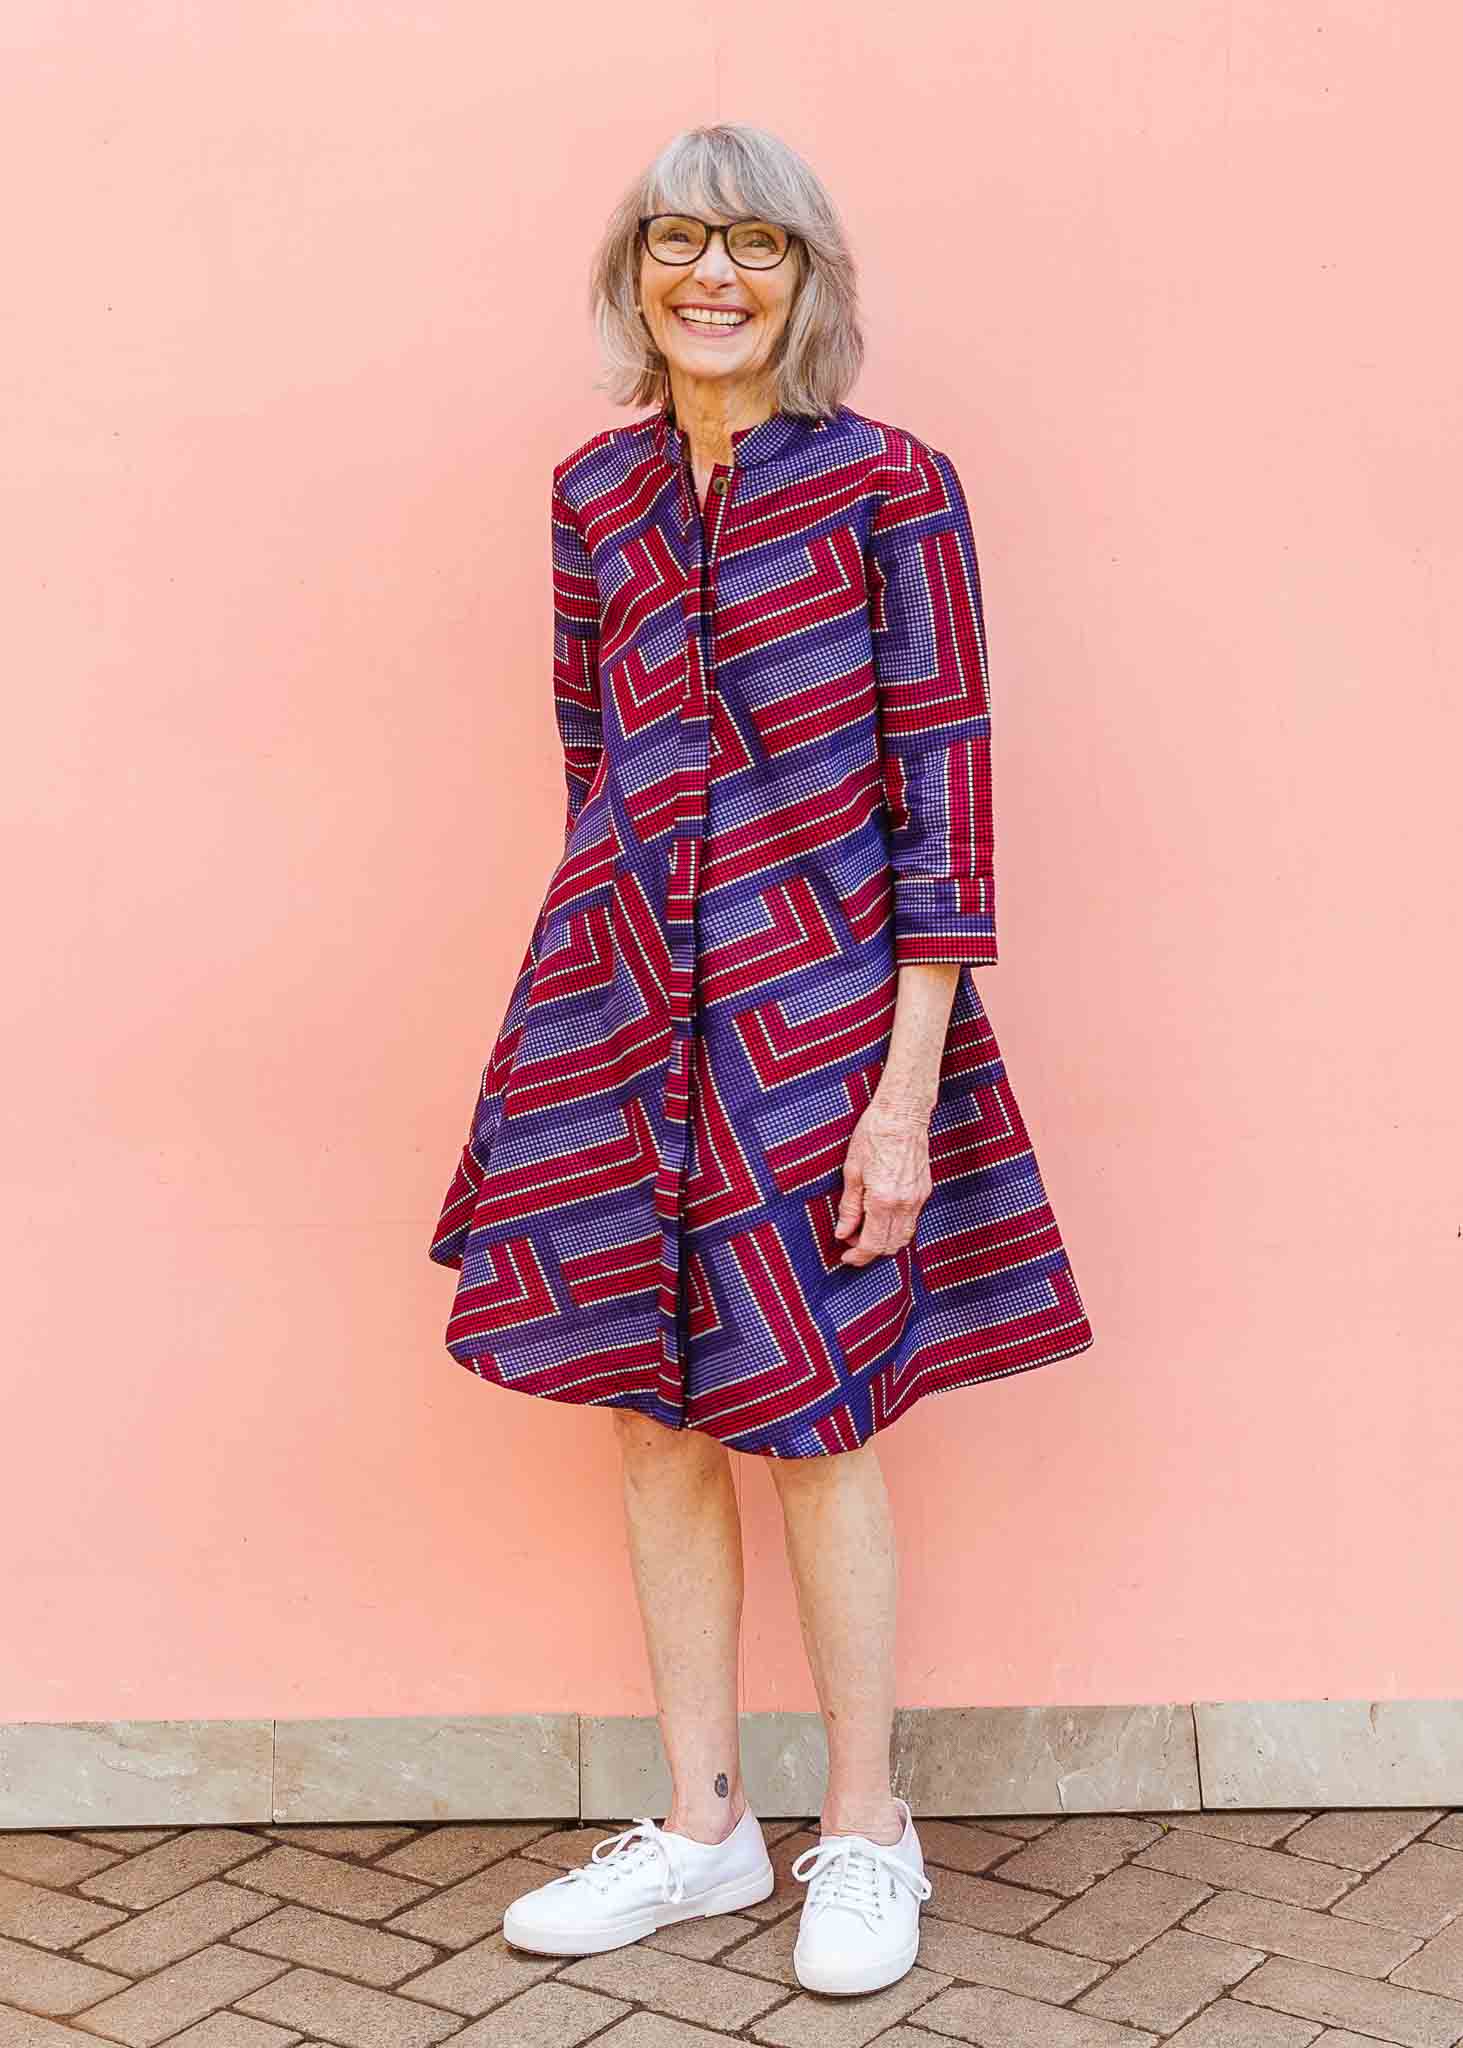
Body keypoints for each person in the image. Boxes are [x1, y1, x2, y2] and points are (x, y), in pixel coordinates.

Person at [427, 121, 1095, 1998]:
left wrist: (902, 1095)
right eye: (677, 239)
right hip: (620, 1003)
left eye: (755, 246)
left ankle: (868, 1831)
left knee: (820, 1427)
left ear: (810, 282)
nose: (711, 275)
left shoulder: (896, 489)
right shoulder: (595, 495)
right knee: (650, 1417)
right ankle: (709, 1827)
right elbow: (591, 760)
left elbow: (945, 800)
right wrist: (603, 979)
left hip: (825, 1032)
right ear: (637, 269)